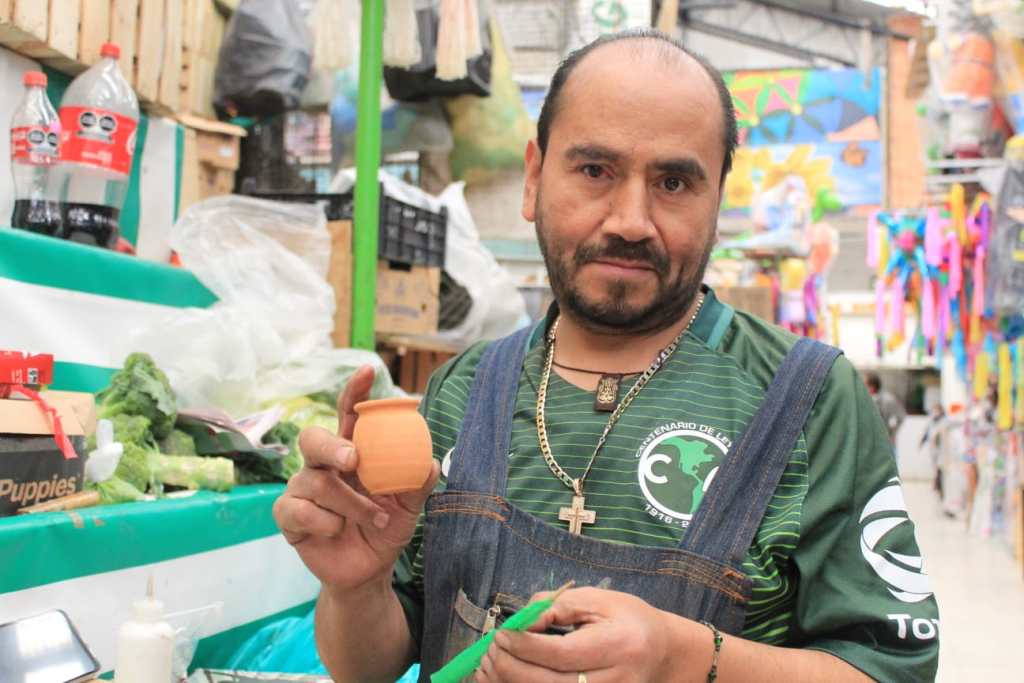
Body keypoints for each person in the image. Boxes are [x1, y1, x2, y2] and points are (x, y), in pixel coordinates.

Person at [274, 30, 939, 683]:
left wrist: (687, 659)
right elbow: (370, 666)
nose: (630, 220)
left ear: (717, 198)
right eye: (595, 170)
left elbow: (891, 670)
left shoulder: (810, 401)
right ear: (534, 178)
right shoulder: (462, 391)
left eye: (673, 182)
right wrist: (356, 588)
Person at [864, 373, 906, 446]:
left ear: (872, 386)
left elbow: (901, 416)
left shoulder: (888, 399)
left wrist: (892, 432)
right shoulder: (864, 399)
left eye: (864, 385)